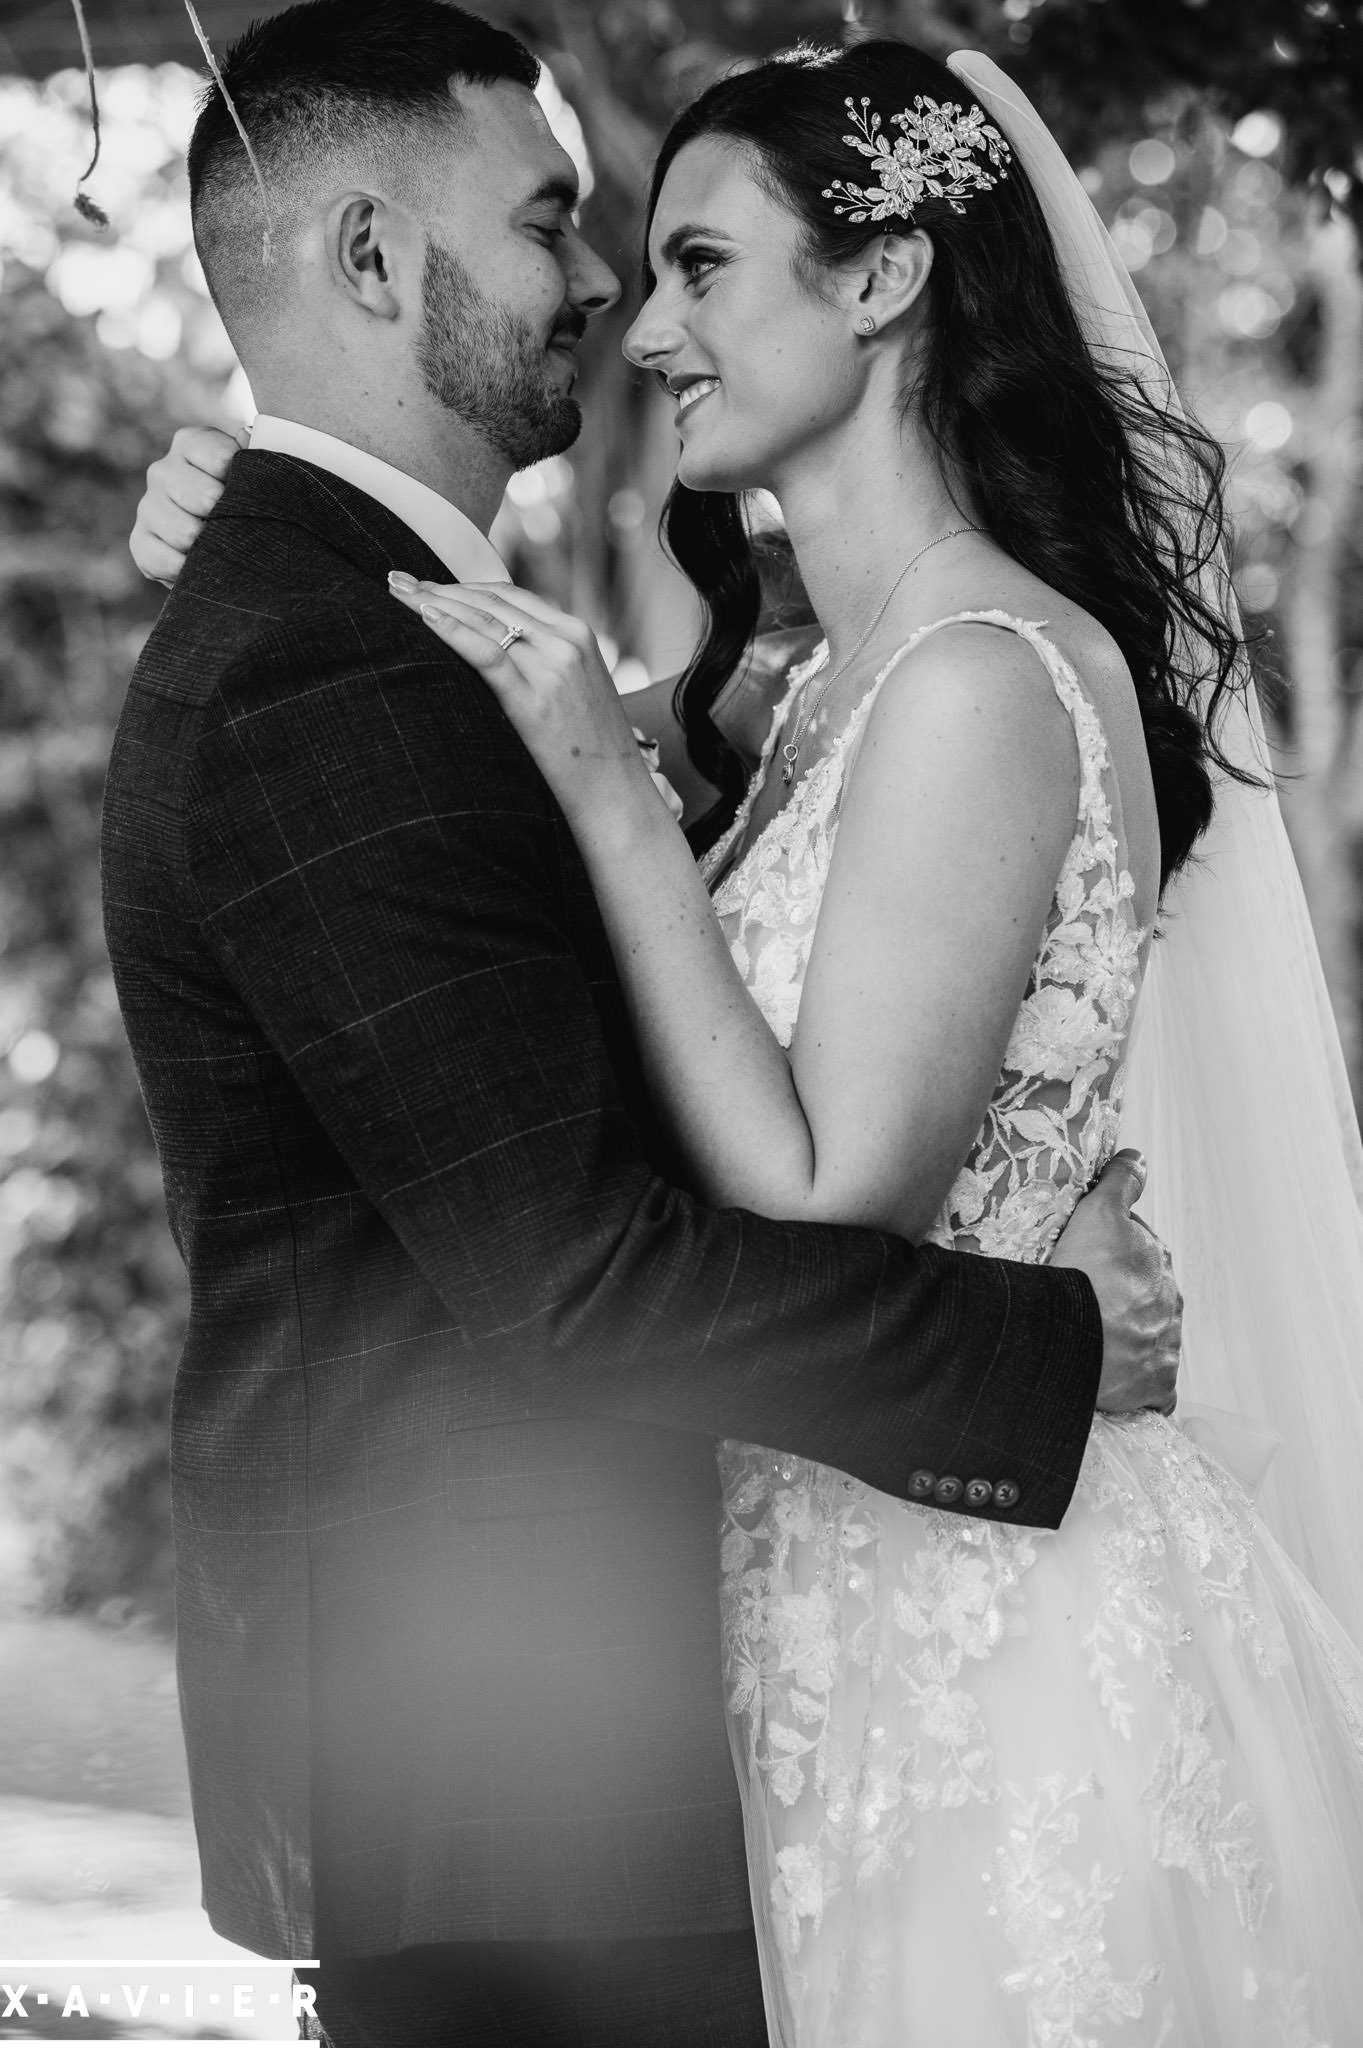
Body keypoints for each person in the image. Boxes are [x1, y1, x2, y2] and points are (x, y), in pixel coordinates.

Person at [106, 6, 1180, 2046]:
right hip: (518, 1781)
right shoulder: (320, 667)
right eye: (556, 225)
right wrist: (1043, 1344)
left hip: (666, 1729)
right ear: (369, 258)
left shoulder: (504, 656)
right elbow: (575, 1272)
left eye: (689, 257)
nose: (613, 294)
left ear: (885, 282)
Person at [372, 39, 1363, 2046]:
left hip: (991, 1645)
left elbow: (836, 1188)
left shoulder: (982, 673)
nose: (648, 331)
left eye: (703, 266)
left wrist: (604, 795)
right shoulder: (827, 689)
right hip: (840, 1584)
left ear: (887, 277)